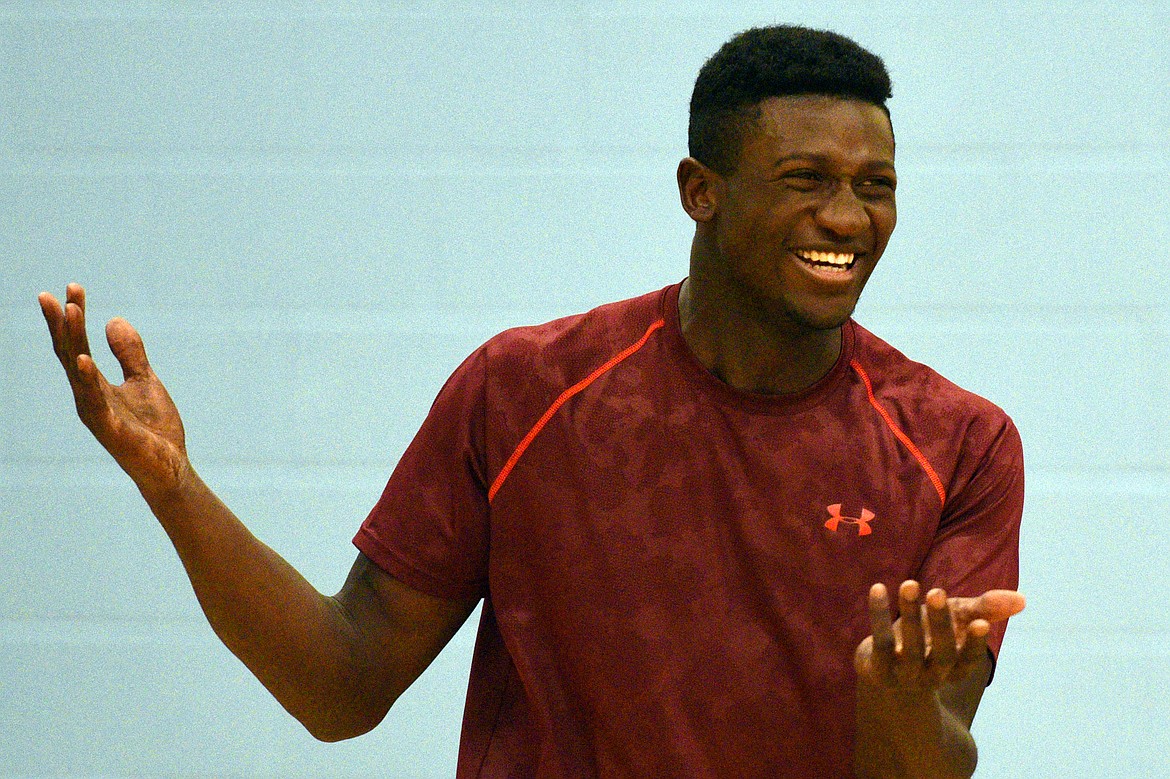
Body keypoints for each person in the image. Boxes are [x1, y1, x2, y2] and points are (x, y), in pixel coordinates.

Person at [40, 24, 1024, 779]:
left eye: (875, 185)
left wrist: (895, 698)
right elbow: (338, 684)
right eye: (807, 180)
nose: (848, 217)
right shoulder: (522, 392)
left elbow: (929, 762)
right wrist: (177, 490)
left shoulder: (959, 443)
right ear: (700, 190)